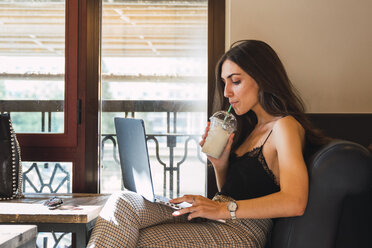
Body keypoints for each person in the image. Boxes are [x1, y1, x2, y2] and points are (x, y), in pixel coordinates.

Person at [87, 40, 327, 248]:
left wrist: (222, 210)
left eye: (235, 81)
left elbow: (295, 201)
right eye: (224, 83)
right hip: (220, 219)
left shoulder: (283, 126)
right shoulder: (252, 128)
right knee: (123, 201)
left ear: (262, 79)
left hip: (240, 233)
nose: (226, 92)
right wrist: (220, 164)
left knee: (135, 239)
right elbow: (235, 192)